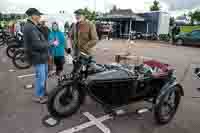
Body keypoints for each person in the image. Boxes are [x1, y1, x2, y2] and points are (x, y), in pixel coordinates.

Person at [23, 8, 49, 104]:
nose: (40, 17)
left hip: (41, 56)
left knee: (43, 76)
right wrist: (50, 43)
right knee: (41, 78)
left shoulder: (32, 26)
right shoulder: (30, 27)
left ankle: (43, 93)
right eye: (38, 15)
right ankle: (39, 97)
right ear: (32, 16)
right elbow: (37, 45)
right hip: (38, 56)